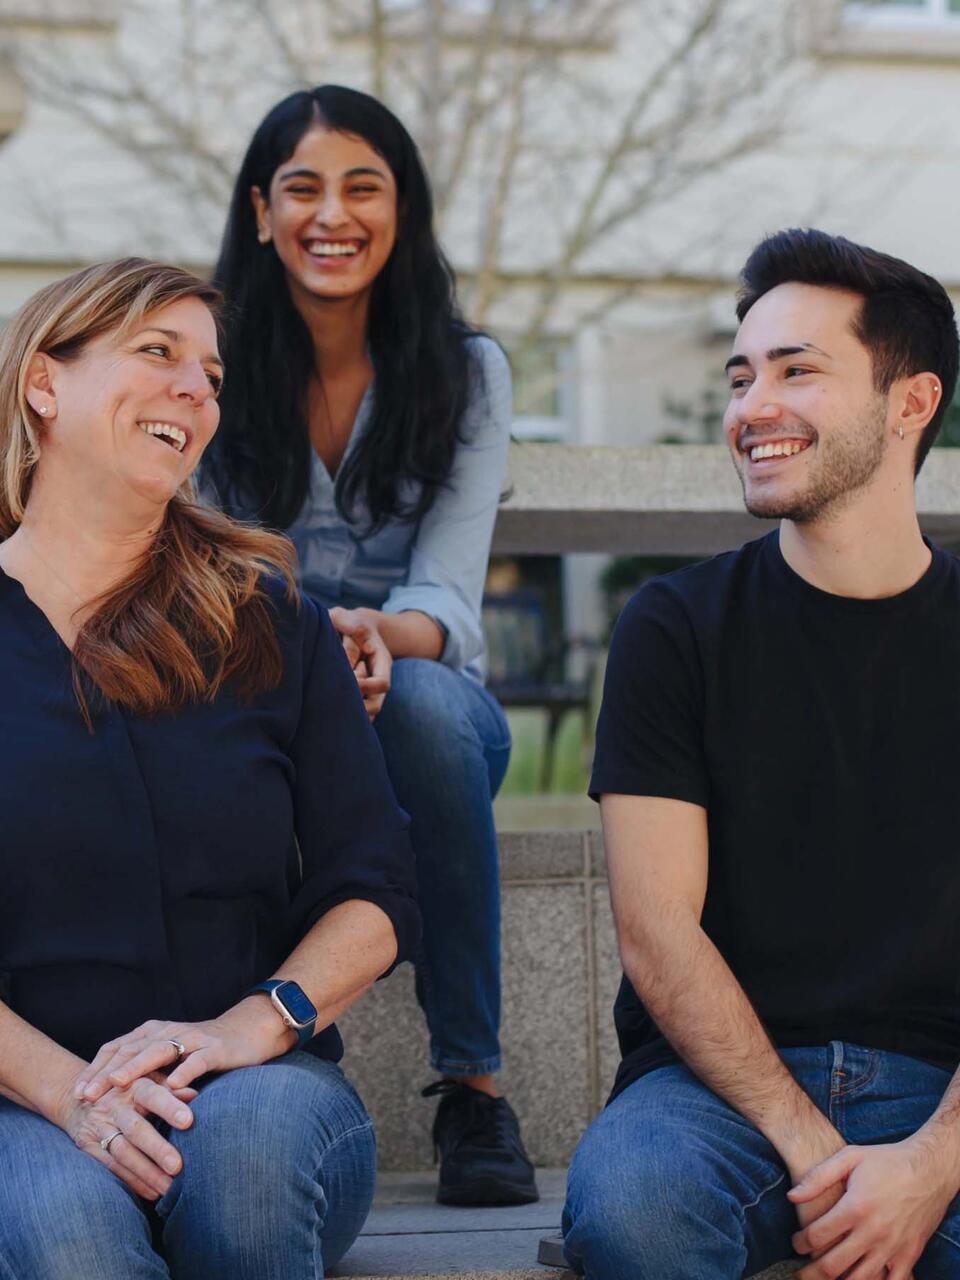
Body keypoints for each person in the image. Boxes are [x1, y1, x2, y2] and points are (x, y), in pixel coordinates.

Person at [0, 257, 421, 1280]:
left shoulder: (273, 623)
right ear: (43, 385)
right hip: (22, 1091)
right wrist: (71, 1090)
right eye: (158, 353)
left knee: (242, 1172)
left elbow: (378, 891)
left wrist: (249, 1025)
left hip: (260, 1087)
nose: (197, 389)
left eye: (213, 375)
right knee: (71, 1244)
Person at [562, 228, 960, 1279]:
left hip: (947, 1082)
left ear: (911, 402)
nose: (752, 407)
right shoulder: (674, 627)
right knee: (634, 1210)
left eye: (797, 370)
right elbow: (656, 931)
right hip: (718, 1088)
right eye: (742, 376)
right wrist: (814, 1147)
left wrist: (929, 1164)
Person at [201, 84, 537, 1206]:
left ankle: (474, 1087)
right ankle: (284, 1034)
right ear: (261, 211)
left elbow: (448, 584)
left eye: (362, 187)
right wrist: (306, 645)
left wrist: (373, 634)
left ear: (402, 211)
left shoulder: (468, 372)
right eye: (302, 187)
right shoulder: (205, 363)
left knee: (430, 706)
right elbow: (199, 560)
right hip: (260, 686)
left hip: (423, 703)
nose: (330, 214)